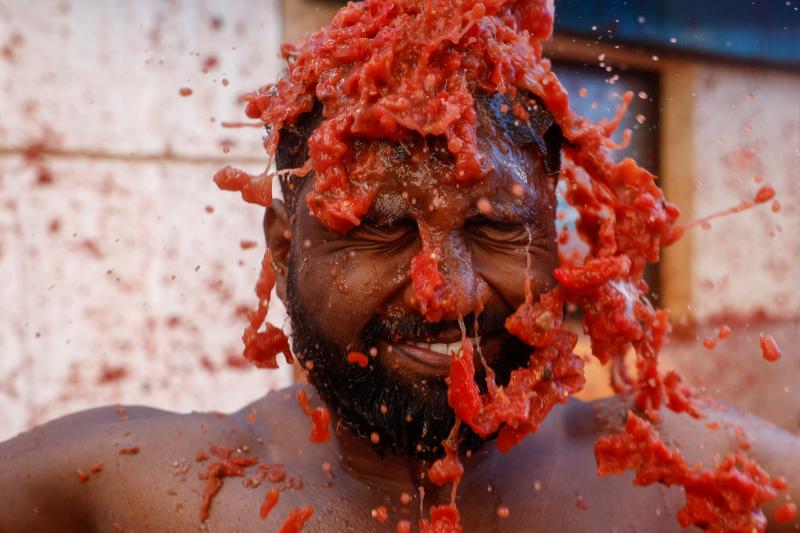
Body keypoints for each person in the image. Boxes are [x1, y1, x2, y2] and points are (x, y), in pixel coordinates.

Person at [1, 1, 798, 532]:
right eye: (378, 231)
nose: (446, 290)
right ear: (283, 248)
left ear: (559, 247)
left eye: (495, 228)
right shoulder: (142, 492)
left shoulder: (689, 485)